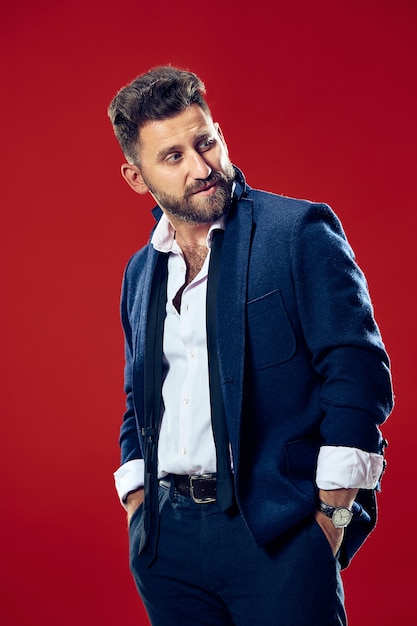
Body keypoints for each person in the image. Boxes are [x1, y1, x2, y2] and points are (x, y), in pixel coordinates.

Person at [108, 65, 393, 626]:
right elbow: (139, 397)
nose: (201, 167)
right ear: (136, 177)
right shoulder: (140, 272)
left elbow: (357, 373)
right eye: (173, 157)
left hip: (275, 532)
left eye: (206, 142)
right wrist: (139, 505)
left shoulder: (298, 231)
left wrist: (332, 517)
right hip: (168, 542)